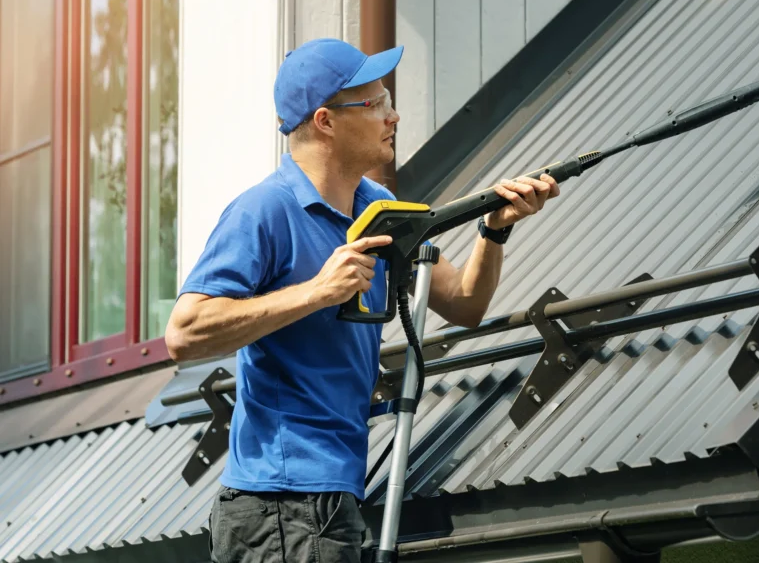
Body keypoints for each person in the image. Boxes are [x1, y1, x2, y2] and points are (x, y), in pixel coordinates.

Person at [164, 37, 560, 562]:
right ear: (325, 121)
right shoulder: (263, 211)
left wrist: (494, 230)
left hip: (332, 495)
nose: (392, 116)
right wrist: (317, 291)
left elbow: (464, 304)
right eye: (376, 104)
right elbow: (184, 333)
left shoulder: (380, 206)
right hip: (280, 502)